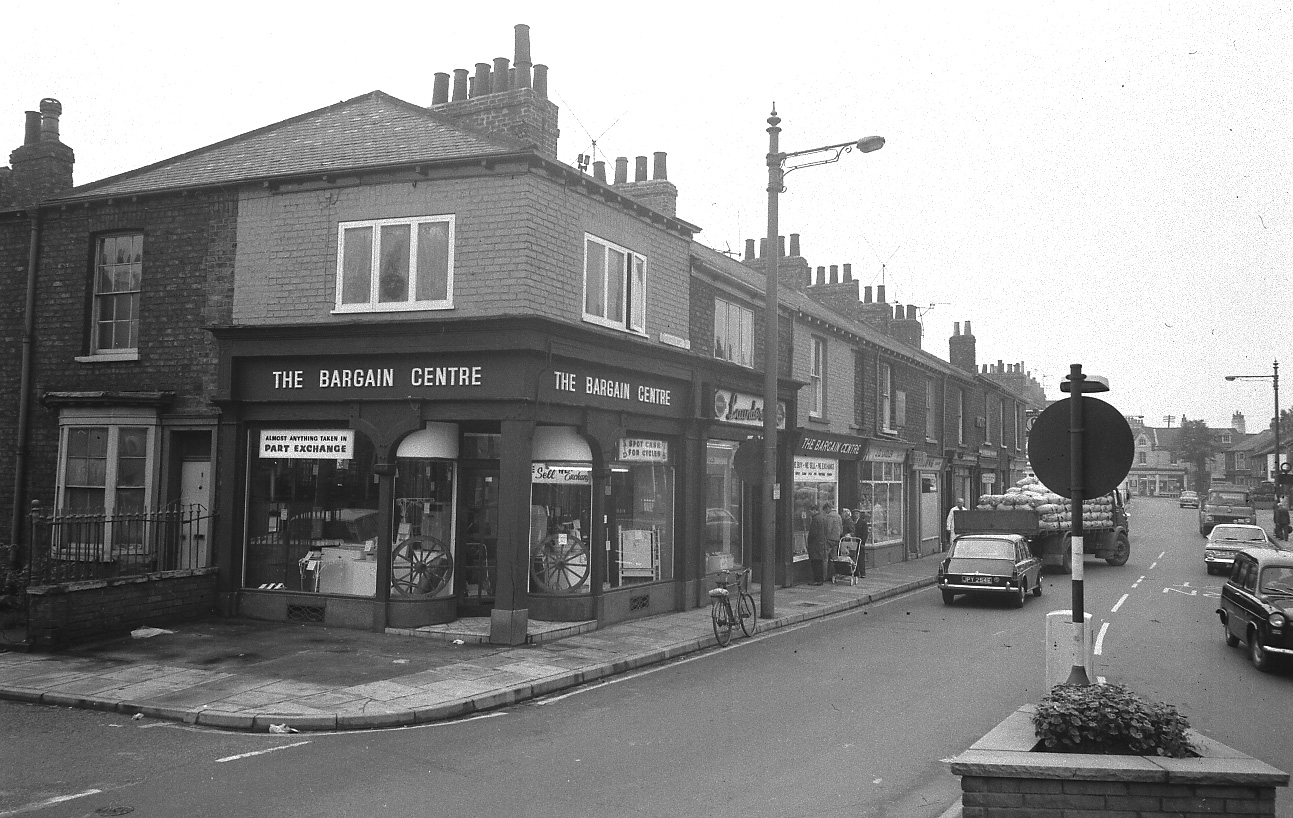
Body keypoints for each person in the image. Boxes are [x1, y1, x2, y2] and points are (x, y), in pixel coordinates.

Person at [822, 502, 843, 581]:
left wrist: (825, 538)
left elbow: (828, 529)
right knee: (834, 558)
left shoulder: (830, 516)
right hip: (837, 539)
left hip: (830, 540)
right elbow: (841, 529)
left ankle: (824, 577)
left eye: (825, 510)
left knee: (825, 558)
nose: (825, 512)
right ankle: (834, 575)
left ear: (828, 508)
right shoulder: (838, 516)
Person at [806, 504, 826, 584]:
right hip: (821, 543)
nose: (809, 513)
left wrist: (809, 542)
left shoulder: (815, 519)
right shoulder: (822, 518)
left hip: (815, 544)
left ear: (814, 510)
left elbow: (813, 533)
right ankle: (820, 579)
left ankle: (817, 580)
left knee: (815, 563)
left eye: (810, 511)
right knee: (819, 562)